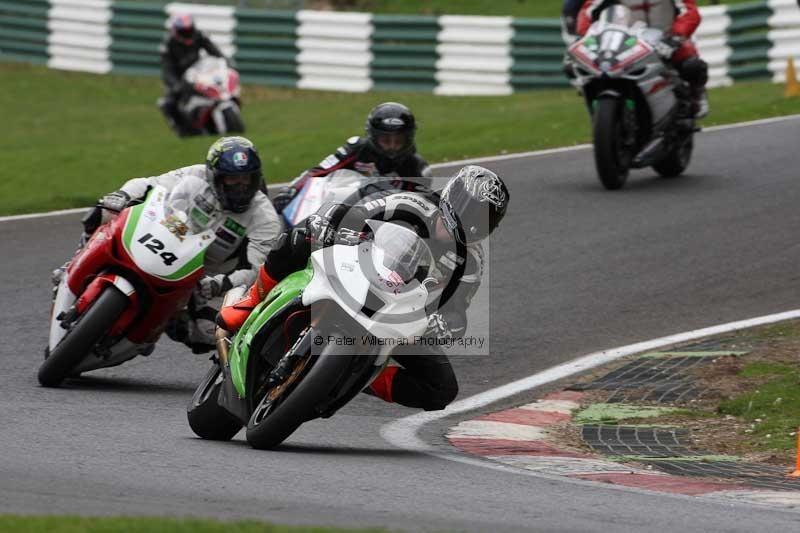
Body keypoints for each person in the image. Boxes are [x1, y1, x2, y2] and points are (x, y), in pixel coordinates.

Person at [218, 165, 510, 411]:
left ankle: (362, 376)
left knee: (442, 389)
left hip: (400, 315)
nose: (472, 223)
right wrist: (337, 228)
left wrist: (443, 325)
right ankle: (252, 298)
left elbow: (457, 311)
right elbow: (352, 212)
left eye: (484, 218)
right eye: (471, 211)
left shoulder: (471, 262)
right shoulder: (412, 202)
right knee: (298, 237)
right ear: (452, 197)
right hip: (357, 268)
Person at [70, 136, 282, 353]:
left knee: (211, 333)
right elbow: (149, 184)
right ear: (214, 176)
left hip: (202, 277)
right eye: (232, 180)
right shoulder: (195, 175)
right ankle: (74, 262)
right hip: (164, 236)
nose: (241, 187)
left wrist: (221, 283)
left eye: (247, 179)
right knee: (105, 211)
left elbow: (257, 269)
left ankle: (150, 331)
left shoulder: (265, 217)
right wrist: (123, 195)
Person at [271, 102, 432, 214]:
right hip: (342, 211)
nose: (391, 146)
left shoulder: (417, 168)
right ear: (374, 137)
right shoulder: (357, 148)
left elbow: (420, 209)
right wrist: (291, 190)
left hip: (383, 226)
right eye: (386, 140)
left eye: (398, 141)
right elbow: (318, 171)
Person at [576, 0, 709, 118]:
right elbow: (587, 12)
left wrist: (676, 36)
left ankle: (696, 95)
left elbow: (690, 13)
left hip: (667, 39)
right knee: (588, 67)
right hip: (628, 41)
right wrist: (588, 36)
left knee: (692, 65)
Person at [159, 14, 228, 134]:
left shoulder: (198, 35)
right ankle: (183, 129)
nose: (187, 33)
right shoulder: (168, 45)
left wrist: (226, 62)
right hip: (180, 79)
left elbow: (213, 50)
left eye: (189, 30)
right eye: (184, 31)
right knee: (168, 103)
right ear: (177, 31)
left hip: (198, 74)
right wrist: (175, 84)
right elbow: (167, 69)